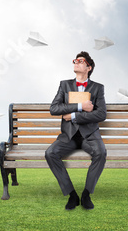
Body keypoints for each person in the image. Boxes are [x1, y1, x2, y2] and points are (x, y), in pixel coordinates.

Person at [45, 51, 107, 210]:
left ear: (89, 67)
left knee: (101, 153)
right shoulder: (64, 85)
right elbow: (54, 108)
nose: (76, 62)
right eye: (75, 60)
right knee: (50, 153)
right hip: (69, 136)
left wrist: (74, 116)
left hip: (90, 136)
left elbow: (101, 114)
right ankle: (72, 194)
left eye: (81, 61)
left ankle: (86, 194)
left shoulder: (98, 88)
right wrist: (80, 107)